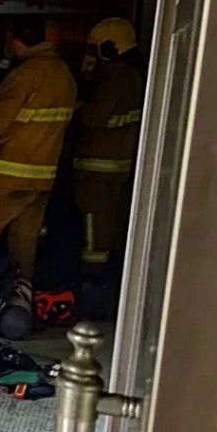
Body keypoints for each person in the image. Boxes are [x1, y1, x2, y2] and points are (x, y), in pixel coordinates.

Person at [0, 15, 77, 336]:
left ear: (17, 41)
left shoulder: (24, 74)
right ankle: (18, 299)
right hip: (42, 177)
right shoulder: (64, 75)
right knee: (25, 241)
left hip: (5, 174)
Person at [73, 17, 144, 308]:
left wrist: (77, 109)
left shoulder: (114, 75)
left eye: (94, 49)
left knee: (94, 227)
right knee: (110, 224)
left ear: (109, 48)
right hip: (117, 164)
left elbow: (95, 116)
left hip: (97, 165)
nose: (90, 57)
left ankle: (91, 288)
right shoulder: (135, 75)